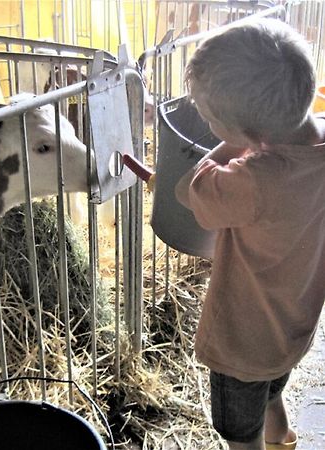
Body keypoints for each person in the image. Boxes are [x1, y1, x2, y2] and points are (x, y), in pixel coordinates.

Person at [175, 18, 325, 450]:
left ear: (250, 137)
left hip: (242, 341)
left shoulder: (254, 179)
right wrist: (243, 138)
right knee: (273, 386)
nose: (207, 127)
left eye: (209, 121)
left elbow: (187, 191)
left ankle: (265, 441)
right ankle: (283, 437)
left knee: (239, 433)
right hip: (293, 323)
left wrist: (228, 149)